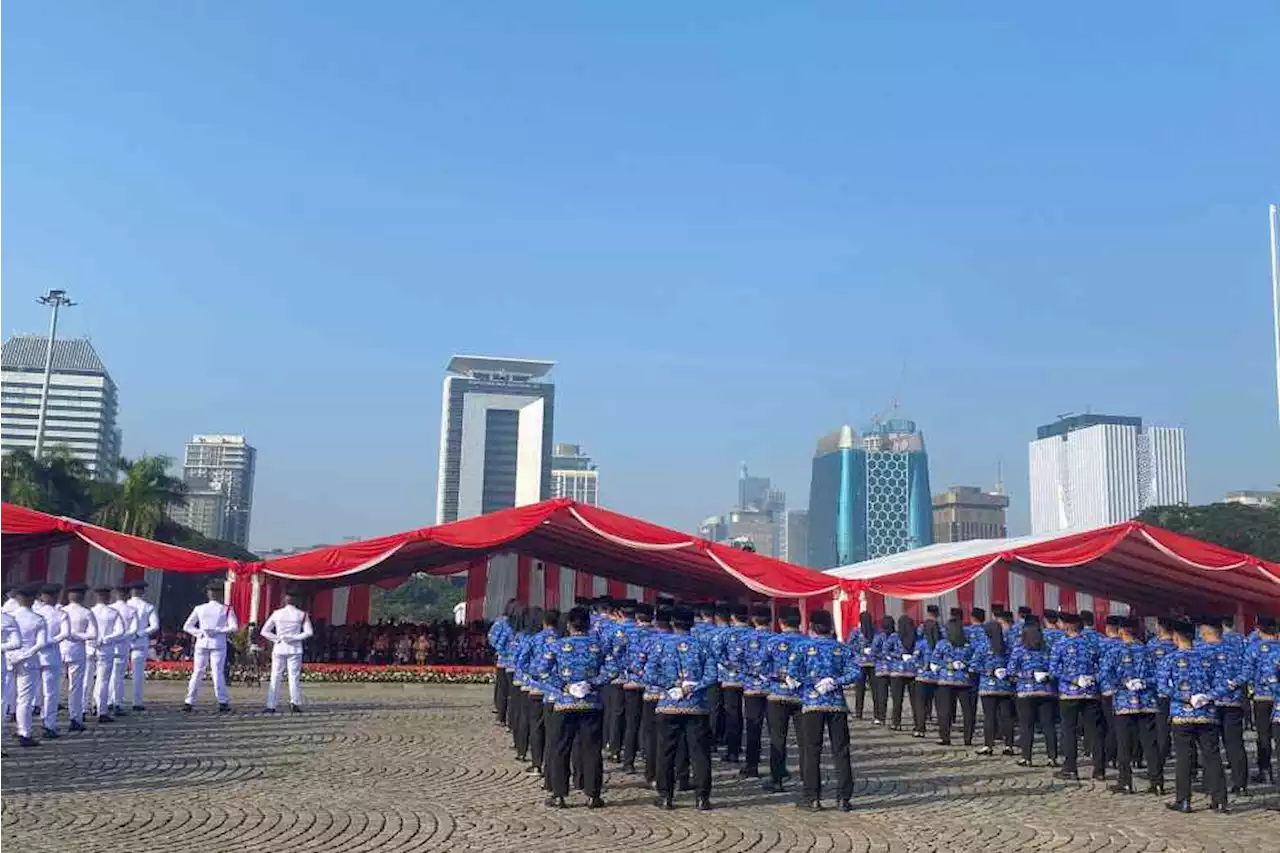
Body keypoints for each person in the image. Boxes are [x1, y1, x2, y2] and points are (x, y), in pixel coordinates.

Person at [540, 606, 615, 809]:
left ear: (569, 625)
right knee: (591, 749)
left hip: (565, 702)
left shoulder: (557, 646)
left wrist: (564, 685)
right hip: (591, 703)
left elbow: (542, 671)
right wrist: (593, 682)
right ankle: (593, 794)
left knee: (560, 748)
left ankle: (559, 794)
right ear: (589, 624)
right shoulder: (598, 646)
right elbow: (613, 669)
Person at [647, 605, 718, 811]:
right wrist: (692, 687)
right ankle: (702, 797)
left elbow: (649, 673)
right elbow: (712, 675)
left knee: (666, 751)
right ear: (692, 623)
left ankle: (666, 795)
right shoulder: (702, 646)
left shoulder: (661, 645)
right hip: (696, 705)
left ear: (672, 623)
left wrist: (671, 686)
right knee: (699, 753)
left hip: (668, 705)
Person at [789, 608, 857, 812]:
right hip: (836, 703)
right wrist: (835, 681)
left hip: (812, 704)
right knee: (841, 751)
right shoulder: (841, 648)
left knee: (811, 750)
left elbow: (793, 675)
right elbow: (856, 671)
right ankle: (843, 798)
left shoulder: (802, 648)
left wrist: (812, 684)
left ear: (811, 627)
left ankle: (813, 798)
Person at [1162, 618, 1228, 813]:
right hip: (1206, 713)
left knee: (1184, 757)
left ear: (1176, 637)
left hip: (1182, 714)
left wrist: (1185, 698)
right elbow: (1224, 683)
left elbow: (1163, 687)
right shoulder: (1208, 657)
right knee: (1212, 756)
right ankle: (1220, 800)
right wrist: (1206, 697)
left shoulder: (1170, 659)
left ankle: (1184, 800)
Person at [1103, 616, 1162, 794]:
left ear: (1121, 631)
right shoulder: (1147, 650)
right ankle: (1157, 782)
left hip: (1124, 702)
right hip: (1146, 701)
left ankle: (1125, 781)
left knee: (1124, 744)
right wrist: (1143, 682)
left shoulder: (1114, 651)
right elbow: (1159, 676)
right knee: (1150, 744)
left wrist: (1122, 683)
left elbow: (1105, 675)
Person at [1196, 616, 1248, 795]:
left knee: (1210, 746)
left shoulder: (1200, 650)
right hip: (1232, 701)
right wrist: (1232, 685)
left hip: (1209, 703)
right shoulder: (1234, 650)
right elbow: (1245, 673)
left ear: (1206, 633)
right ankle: (1240, 783)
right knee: (1234, 744)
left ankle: (1211, 783)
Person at [1050, 612, 1105, 781]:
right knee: (1094, 731)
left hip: (1069, 693)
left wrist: (1073, 679)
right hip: (1090, 692)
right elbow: (1102, 665)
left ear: (1067, 626)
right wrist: (1093, 677)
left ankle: (1070, 768)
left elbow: (1053, 670)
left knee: (1069, 730)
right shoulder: (1092, 643)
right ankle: (1099, 769)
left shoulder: (1060, 645)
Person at [762, 606, 804, 793]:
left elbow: (761, 668)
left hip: (777, 695)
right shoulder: (808, 642)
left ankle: (777, 778)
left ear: (781, 623)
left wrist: (779, 676)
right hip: (803, 696)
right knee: (806, 740)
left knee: (777, 739)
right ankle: (808, 777)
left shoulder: (772, 642)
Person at [183, 579, 239, 713]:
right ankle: (222, 701)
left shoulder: (200, 608)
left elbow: (187, 626)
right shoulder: (226, 609)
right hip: (218, 642)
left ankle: (189, 701)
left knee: (197, 672)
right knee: (217, 672)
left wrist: (199, 633)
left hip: (202, 642)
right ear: (220, 594)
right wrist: (219, 630)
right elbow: (234, 627)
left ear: (209, 594)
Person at [1010, 618, 1058, 767]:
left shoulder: (1018, 650)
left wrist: (1027, 675)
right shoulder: (1047, 649)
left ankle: (1027, 757)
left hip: (1025, 692)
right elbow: (1055, 670)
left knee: (1026, 726)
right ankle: (1052, 757)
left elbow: (1011, 672)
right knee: (1048, 725)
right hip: (1046, 691)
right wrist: (1045, 675)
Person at [260, 587, 314, 714]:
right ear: (296, 600)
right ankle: (295, 703)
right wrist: (294, 638)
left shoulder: (277, 613)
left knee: (275, 676)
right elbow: (309, 632)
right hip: (295, 648)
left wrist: (277, 639)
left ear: (285, 599)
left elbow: (264, 631)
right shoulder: (302, 614)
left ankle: (271, 705)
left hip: (279, 647)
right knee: (293, 677)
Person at [6, 585, 47, 747]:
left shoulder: (10, 616)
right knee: (25, 699)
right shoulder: (38, 618)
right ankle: (24, 732)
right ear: (32, 599)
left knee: (5, 697)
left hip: (9, 659)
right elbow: (41, 643)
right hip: (29, 661)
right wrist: (25, 654)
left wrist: (12, 656)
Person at [737, 603, 773, 779]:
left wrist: (748, 678)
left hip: (752, 688)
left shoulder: (745, 639)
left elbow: (737, 663)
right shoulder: (777, 639)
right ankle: (777, 768)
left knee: (753, 727)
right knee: (776, 731)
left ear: (753, 619)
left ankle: (752, 765)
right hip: (774, 689)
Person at [32, 583, 69, 738]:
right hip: (52, 654)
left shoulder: (35, 612)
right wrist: (51, 640)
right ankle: (49, 724)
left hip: (35, 655)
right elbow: (65, 634)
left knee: (31, 692)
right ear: (56, 596)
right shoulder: (60, 614)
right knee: (51, 692)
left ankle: (25, 726)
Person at [1243, 616, 1278, 784]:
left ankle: (1266, 771)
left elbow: (1247, 674)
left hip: (1261, 697)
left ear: (1259, 630)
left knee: (1263, 735)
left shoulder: (1253, 649)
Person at [59, 583, 97, 732]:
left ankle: (47, 718)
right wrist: (78, 636)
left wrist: (70, 635)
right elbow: (93, 634)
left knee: (53, 686)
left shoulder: (61, 611)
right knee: (75, 686)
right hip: (77, 651)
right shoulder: (86, 613)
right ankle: (75, 717)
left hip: (60, 649)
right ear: (82, 596)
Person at [931, 618, 974, 746]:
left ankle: (945, 737)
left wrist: (947, 664)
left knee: (945, 711)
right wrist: (964, 664)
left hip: (946, 681)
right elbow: (975, 661)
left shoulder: (942, 644)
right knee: (968, 711)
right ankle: (968, 738)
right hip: (964, 681)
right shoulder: (968, 645)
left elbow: (934, 661)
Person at [716, 605, 751, 763]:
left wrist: (729, 665)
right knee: (752, 717)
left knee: (732, 714)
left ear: (733, 618)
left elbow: (716, 653)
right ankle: (751, 751)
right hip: (753, 680)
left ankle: (733, 750)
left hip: (730, 679)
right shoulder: (754, 634)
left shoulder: (725, 633)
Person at [977, 618, 1015, 756]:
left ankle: (988, 745)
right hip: (1005, 686)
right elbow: (1013, 664)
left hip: (988, 686)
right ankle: (1009, 745)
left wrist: (988, 671)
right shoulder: (1007, 647)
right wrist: (1005, 671)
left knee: (989, 717)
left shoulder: (983, 647)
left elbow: (974, 665)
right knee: (1006, 716)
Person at [88, 585, 124, 723]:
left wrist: (92, 640)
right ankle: (101, 710)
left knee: (86, 680)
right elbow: (120, 631)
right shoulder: (113, 612)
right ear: (108, 597)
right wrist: (107, 638)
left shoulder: (90, 611)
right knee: (103, 680)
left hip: (90, 648)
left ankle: (84, 708)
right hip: (106, 648)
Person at [125, 579, 159, 711]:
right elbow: (155, 626)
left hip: (122, 641)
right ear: (142, 592)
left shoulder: (124, 606)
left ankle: (114, 700)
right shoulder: (148, 606)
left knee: (116, 673)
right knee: (138, 674)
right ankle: (136, 702)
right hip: (140, 641)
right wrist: (140, 633)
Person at [108, 585, 137, 716]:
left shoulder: (110, 608)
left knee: (106, 676)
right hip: (123, 645)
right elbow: (133, 629)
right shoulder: (131, 610)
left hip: (109, 645)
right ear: (127, 595)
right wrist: (123, 636)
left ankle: (105, 701)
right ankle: (117, 703)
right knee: (118, 676)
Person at [912, 606, 941, 738]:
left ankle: (920, 728)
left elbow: (914, 659)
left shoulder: (921, 643)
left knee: (920, 704)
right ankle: (943, 729)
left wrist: (921, 666)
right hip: (938, 677)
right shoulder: (941, 643)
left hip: (922, 676)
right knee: (939, 704)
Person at [886, 614, 918, 732]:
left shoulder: (894, 637)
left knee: (897, 700)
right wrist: (913, 657)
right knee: (915, 701)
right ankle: (918, 724)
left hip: (896, 672)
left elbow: (885, 651)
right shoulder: (916, 636)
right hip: (912, 671)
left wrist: (897, 655)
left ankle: (896, 723)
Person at [488, 599, 518, 726]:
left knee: (503, 691)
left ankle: (502, 717)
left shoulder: (500, 622)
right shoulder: (513, 622)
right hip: (515, 662)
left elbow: (492, 638)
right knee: (511, 692)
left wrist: (501, 649)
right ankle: (507, 718)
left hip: (505, 660)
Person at [850, 611, 876, 721]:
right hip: (868, 663)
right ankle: (876, 713)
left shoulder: (857, 631)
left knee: (861, 690)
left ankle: (859, 712)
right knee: (872, 690)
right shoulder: (874, 631)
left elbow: (849, 645)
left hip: (863, 663)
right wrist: (861, 650)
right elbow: (850, 645)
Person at [870, 615, 895, 726]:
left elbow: (873, 653)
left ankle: (880, 716)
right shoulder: (896, 636)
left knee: (881, 694)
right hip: (894, 669)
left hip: (881, 669)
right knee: (891, 695)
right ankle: (890, 717)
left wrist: (881, 657)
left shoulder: (879, 637)